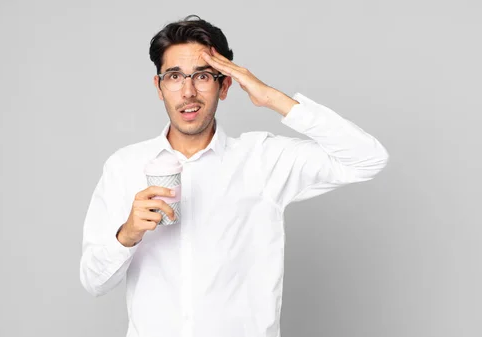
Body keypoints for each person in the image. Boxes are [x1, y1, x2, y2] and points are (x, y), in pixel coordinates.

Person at [80, 14, 389, 337]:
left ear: (224, 84)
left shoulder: (262, 160)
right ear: (159, 87)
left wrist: (272, 98)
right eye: (174, 76)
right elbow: (93, 281)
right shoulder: (124, 166)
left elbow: (368, 159)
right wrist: (126, 234)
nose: (188, 92)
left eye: (202, 76)